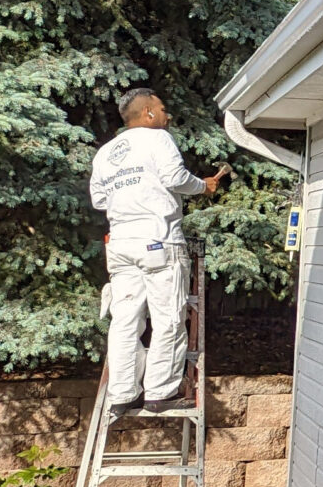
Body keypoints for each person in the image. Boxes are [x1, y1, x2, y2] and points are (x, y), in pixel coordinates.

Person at [88, 89, 227, 413]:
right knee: (167, 317)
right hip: (158, 240)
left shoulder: (105, 153)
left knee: (124, 320)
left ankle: (122, 394)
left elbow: (99, 200)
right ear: (148, 113)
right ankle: (159, 392)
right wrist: (203, 186)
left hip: (121, 243)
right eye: (163, 110)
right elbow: (174, 177)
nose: (168, 116)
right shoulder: (158, 139)